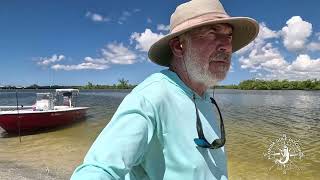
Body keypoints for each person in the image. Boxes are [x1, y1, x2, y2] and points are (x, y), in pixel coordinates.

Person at [71, 0, 259, 179]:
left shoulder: (204, 97)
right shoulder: (150, 98)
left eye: (228, 35)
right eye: (212, 32)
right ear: (179, 46)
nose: (226, 46)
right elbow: (98, 169)